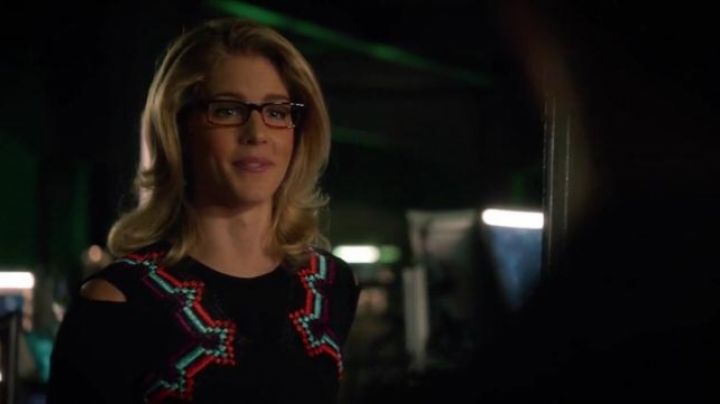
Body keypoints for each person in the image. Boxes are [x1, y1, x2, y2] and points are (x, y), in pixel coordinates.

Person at [48, 18, 360, 404]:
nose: (257, 133)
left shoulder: (332, 285)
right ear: (179, 129)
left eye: (277, 112)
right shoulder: (116, 303)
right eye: (227, 110)